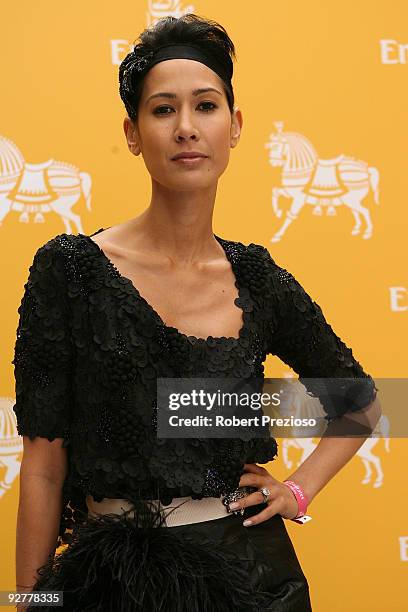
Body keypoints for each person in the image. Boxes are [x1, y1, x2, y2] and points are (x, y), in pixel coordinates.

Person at [13, 13, 381, 612]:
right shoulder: (70, 270)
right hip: (109, 584)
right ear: (132, 132)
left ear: (234, 126)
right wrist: (31, 602)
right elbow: (44, 466)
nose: (186, 128)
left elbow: (360, 402)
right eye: (163, 110)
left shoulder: (258, 279)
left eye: (205, 106)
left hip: (249, 578)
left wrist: (297, 490)